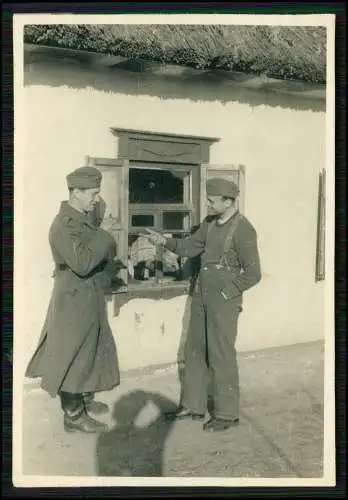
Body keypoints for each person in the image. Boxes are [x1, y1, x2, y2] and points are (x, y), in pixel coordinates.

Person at [142, 177, 262, 432]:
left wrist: (227, 293)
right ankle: (193, 406)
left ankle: (227, 414)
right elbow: (189, 247)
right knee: (193, 350)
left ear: (229, 201)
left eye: (212, 200)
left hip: (223, 301)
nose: (207, 204)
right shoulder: (209, 224)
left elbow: (254, 273)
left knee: (221, 354)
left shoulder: (243, 229)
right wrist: (165, 241)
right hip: (200, 295)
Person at [25, 166, 121, 434]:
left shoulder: (81, 220)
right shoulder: (64, 225)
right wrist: (104, 236)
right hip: (73, 296)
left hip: (87, 293)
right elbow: (82, 262)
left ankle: (82, 398)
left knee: (88, 349)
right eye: (92, 194)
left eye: (96, 193)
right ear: (76, 193)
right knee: (71, 352)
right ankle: (74, 416)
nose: (95, 199)